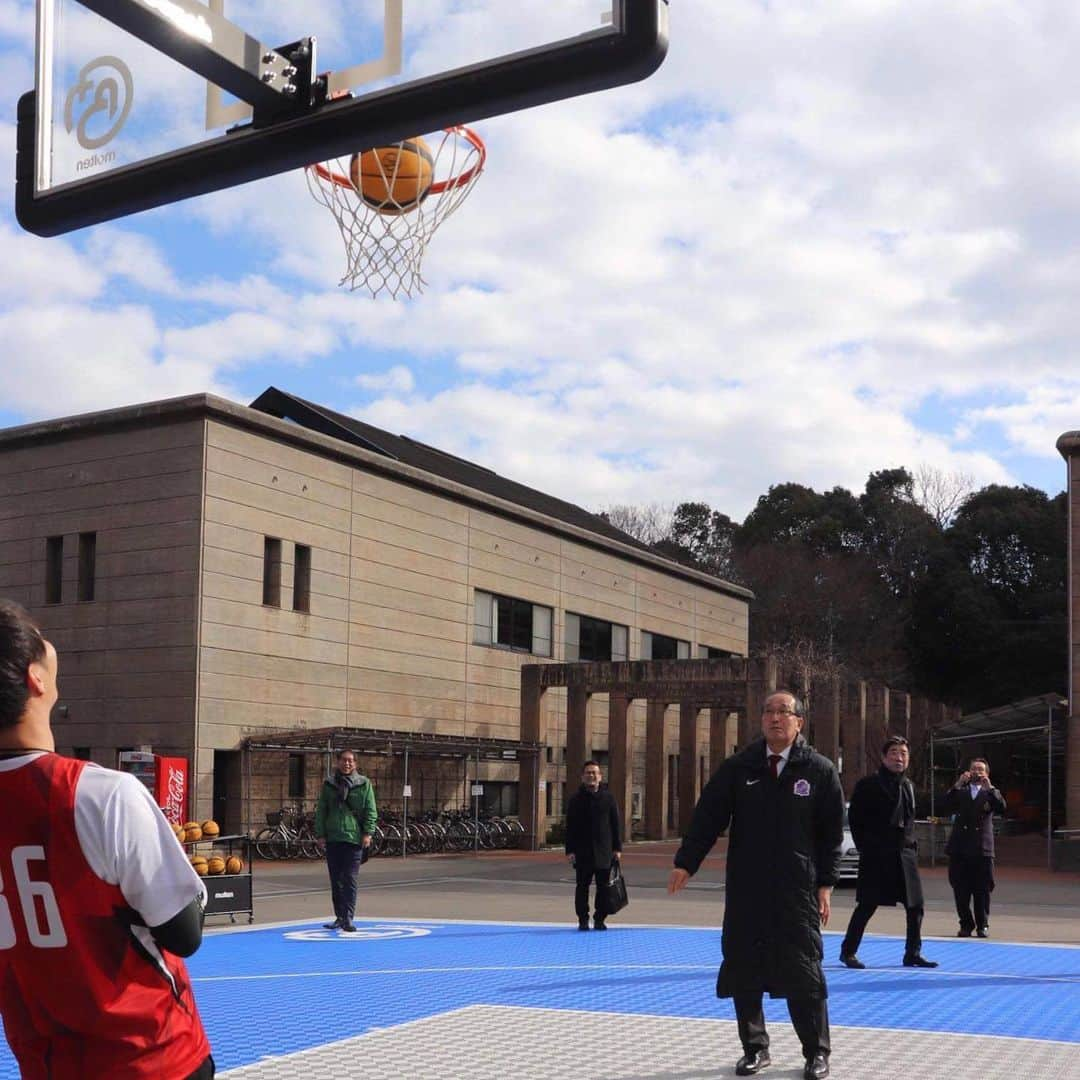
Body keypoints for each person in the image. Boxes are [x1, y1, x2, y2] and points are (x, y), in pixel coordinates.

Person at [0, 599, 213, 1079]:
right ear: (36, 677)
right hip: (150, 1056)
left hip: (46, 1059)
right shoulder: (99, 794)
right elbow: (184, 932)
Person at [668, 690, 843, 1080]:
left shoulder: (818, 770)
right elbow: (708, 816)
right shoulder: (740, 767)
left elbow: (831, 835)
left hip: (796, 889)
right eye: (767, 711)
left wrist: (826, 884)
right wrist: (686, 862)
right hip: (747, 887)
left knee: (803, 971)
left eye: (783, 712)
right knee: (743, 968)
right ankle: (755, 1049)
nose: (774, 718)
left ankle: (816, 1053)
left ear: (799, 721)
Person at [838, 735, 937, 969]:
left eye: (903, 753)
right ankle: (848, 951)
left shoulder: (909, 786)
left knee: (916, 906)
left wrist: (911, 847)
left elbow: (911, 819)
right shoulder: (868, 785)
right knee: (866, 905)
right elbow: (855, 819)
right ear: (884, 757)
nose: (899, 757)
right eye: (893, 752)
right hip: (877, 855)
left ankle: (912, 953)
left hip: (905, 856)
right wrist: (867, 848)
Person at [314, 748, 377, 932]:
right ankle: (339, 917)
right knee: (336, 881)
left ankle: (348, 918)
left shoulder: (364, 784)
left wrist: (368, 833)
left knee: (349, 879)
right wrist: (320, 834)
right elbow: (321, 811)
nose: (347, 763)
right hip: (333, 838)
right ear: (338, 762)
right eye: (343, 760)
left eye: (350, 760)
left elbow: (370, 810)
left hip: (353, 839)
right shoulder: (329, 784)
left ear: (355, 763)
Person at [942, 757, 1006, 938]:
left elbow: (1002, 808)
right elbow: (945, 805)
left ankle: (982, 925)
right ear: (968, 772)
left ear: (986, 774)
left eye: (981, 770)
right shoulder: (960, 791)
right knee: (960, 889)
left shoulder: (990, 793)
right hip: (960, 848)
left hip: (982, 849)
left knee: (982, 889)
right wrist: (958, 783)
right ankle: (965, 923)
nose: (977, 772)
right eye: (974, 769)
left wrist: (991, 788)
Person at [564, 759, 622, 930]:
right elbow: (570, 827)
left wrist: (617, 848)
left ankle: (599, 919)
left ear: (600, 777)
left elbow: (615, 824)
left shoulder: (608, 798)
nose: (591, 776)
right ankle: (583, 919)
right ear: (582, 777)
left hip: (604, 851)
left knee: (603, 889)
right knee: (582, 888)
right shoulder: (575, 800)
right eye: (588, 773)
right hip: (582, 852)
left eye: (594, 773)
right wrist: (570, 850)